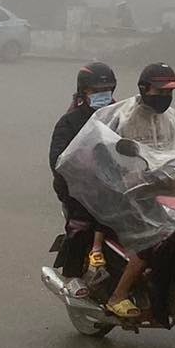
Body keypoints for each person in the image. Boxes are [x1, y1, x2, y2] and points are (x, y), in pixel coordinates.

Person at [99, 62, 175, 320]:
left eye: (169, 92)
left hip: (167, 187)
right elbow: (107, 152)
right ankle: (117, 297)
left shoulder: (172, 117)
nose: (165, 97)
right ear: (144, 88)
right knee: (151, 243)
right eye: (160, 91)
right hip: (132, 193)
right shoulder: (124, 116)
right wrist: (126, 173)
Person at [50, 62, 117, 287]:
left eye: (106, 91)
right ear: (83, 91)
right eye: (96, 91)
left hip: (119, 184)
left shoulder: (120, 117)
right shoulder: (70, 122)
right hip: (80, 189)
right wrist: (83, 178)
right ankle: (71, 278)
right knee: (82, 225)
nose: (102, 96)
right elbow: (58, 162)